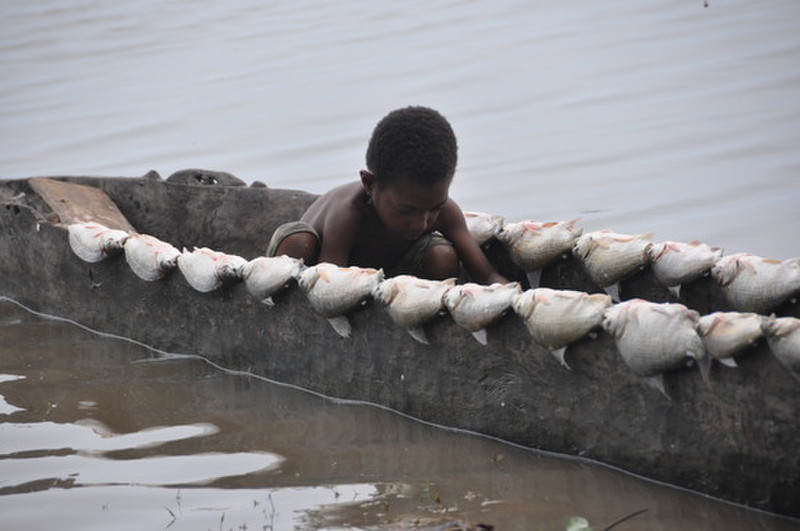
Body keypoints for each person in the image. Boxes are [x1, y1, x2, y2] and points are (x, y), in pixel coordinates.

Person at [267, 105, 507, 285]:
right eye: (406, 210)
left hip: (386, 276)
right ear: (370, 184)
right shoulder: (348, 214)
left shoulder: (445, 212)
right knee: (298, 242)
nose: (422, 222)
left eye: (434, 208)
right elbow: (328, 284)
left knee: (441, 257)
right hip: (322, 269)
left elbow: (486, 274)